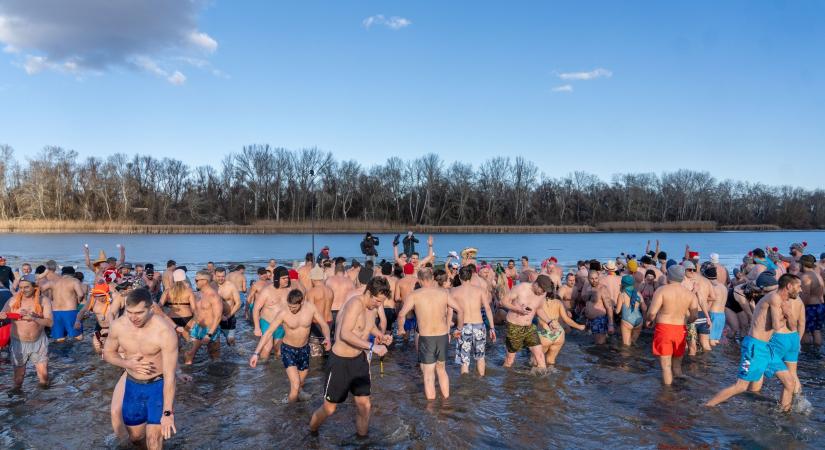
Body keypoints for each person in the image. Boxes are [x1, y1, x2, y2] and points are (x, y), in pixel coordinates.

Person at [309, 277, 392, 437]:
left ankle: (362, 441)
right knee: (329, 408)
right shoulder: (355, 304)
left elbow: (368, 326)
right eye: (376, 301)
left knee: (364, 405)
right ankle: (311, 433)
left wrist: (381, 336)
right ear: (368, 292)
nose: (378, 305)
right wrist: (373, 347)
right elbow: (345, 334)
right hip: (340, 361)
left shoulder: (372, 307)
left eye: (381, 302)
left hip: (358, 361)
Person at [705, 273, 800, 411]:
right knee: (741, 386)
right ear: (789, 286)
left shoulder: (784, 302)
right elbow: (775, 326)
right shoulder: (774, 298)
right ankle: (707, 406)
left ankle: (784, 415)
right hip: (755, 346)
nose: (801, 290)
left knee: (789, 383)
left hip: (767, 348)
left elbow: (793, 327)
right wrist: (785, 315)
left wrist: (788, 314)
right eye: (799, 286)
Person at [103, 287, 178, 449]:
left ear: (151, 309)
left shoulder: (164, 331)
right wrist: (127, 363)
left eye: (138, 313)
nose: (133, 317)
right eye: (129, 312)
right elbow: (107, 354)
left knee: (153, 440)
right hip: (133, 386)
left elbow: (170, 375)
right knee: (136, 438)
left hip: (157, 386)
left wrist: (167, 412)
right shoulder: (118, 326)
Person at [250, 289, 331, 402]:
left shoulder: (310, 308)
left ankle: (295, 403)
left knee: (300, 384)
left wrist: (327, 338)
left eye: (294, 307)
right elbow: (268, 333)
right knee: (296, 384)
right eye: (289, 306)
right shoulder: (283, 313)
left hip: (304, 349)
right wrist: (256, 353)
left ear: (301, 303)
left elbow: (323, 324)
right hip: (288, 350)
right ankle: (290, 413)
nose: (291, 309)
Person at [397, 268, 464, 399]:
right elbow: (460, 310)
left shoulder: (414, 295)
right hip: (442, 336)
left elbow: (401, 314)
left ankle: (431, 410)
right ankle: (446, 402)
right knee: (442, 370)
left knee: (428, 375)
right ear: (432, 278)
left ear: (420, 279)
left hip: (426, 337)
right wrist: (459, 329)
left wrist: (400, 329)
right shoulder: (444, 293)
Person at [645, 265, 698, 385]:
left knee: (666, 367)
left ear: (669, 276)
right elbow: (694, 317)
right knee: (677, 366)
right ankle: (681, 389)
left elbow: (652, 313)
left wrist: (649, 320)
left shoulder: (662, 290)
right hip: (681, 329)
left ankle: (668, 395)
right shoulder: (690, 295)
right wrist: (687, 321)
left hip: (664, 329)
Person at [0, 275, 53, 389]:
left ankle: (44, 402)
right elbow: (1, 314)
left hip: (39, 341)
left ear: (35, 287)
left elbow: (50, 323)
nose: (23, 290)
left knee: (43, 377)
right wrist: (3, 316)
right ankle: (17, 403)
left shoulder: (43, 300)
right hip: (18, 342)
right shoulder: (13, 300)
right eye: (21, 287)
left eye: (26, 287)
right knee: (19, 380)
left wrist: (34, 318)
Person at [499, 274, 557, 370]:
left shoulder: (543, 293)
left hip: (529, 327)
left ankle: (544, 382)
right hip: (514, 327)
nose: (543, 292)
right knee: (510, 360)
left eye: (545, 291)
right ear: (536, 284)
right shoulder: (521, 288)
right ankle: (506, 381)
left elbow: (539, 309)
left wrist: (549, 322)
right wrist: (518, 309)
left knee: (540, 356)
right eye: (542, 290)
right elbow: (503, 301)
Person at [450, 266, 497, 376]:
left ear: (460, 277)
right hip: (479, 326)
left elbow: (449, 313)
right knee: (480, 357)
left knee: (464, 360)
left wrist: (449, 330)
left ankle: (466, 386)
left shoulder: (454, 291)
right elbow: (488, 309)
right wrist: (492, 328)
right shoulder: (480, 291)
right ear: (471, 277)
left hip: (463, 327)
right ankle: (481, 380)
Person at [537, 285, 586, 365]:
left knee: (536, 361)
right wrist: (579, 326)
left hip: (545, 333)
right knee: (551, 361)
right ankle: (553, 374)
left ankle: (538, 376)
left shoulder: (538, 302)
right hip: (558, 333)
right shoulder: (558, 302)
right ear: (553, 291)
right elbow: (566, 319)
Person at [253, 266, 292, 359]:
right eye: (284, 278)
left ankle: (276, 372)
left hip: (281, 324)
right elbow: (256, 309)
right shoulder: (267, 291)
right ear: (277, 278)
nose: (286, 280)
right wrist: (257, 327)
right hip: (267, 322)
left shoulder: (289, 290)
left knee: (279, 351)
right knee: (267, 348)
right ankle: (262, 370)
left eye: (287, 278)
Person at [184, 271, 222, 364]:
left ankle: (216, 377)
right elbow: (198, 311)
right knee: (189, 353)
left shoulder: (214, 296)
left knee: (214, 357)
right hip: (197, 328)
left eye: (196, 280)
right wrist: (193, 322)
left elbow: (218, 317)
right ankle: (187, 376)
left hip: (210, 330)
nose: (194, 281)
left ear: (204, 281)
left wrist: (209, 334)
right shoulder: (199, 294)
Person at [40, 266, 85, 342]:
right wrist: (78, 301)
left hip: (55, 312)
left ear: (62, 274)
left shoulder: (53, 281)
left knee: (59, 338)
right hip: (70, 311)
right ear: (73, 274)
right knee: (78, 337)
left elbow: (40, 289)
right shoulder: (74, 281)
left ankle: (62, 353)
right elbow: (80, 294)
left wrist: (46, 299)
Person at [159, 269, 196, 339]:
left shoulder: (167, 291)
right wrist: (195, 319)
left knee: (175, 340)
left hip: (172, 317)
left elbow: (159, 305)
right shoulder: (189, 290)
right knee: (187, 340)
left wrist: (163, 314)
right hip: (187, 317)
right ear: (184, 278)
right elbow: (194, 308)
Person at [305, 265, 333, 356]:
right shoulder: (330, 290)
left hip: (317, 324)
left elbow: (310, 311)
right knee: (327, 351)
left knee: (315, 354)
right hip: (329, 322)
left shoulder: (312, 292)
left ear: (312, 279)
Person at [798, 254, 825, 346]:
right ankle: (817, 352)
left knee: (805, 330)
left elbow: (805, 294)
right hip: (820, 305)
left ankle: (807, 352)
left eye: (799, 264)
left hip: (810, 307)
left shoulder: (806, 277)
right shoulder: (817, 275)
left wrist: (800, 308)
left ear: (803, 264)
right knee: (816, 330)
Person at [584, 270, 614, 344]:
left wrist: (611, 324)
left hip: (600, 320)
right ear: (588, 278)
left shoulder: (602, 289)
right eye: (592, 278)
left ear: (598, 278)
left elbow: (609, 307)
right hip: (590, 320)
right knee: (595, 343)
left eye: (596, 278)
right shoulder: (588, 288)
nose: (594, 280)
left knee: (600, 344)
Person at [616, 274, 646, 346]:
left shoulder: (622, 294)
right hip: (639, 321)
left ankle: (626, 357)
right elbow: (644, 308)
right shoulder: (638, 293)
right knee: (633, 342)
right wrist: (644, 319)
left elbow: (617, 311)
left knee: (626, 346)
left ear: (623, 284)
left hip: (627, 320)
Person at [325, 263, 355, 333]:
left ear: (335, 271)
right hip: (343, 310)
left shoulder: (329, 280)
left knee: (330, 333)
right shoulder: (350, 282)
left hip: (331, 310)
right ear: (344, 271)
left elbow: (325, 294)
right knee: (340, 332)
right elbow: (354, 297)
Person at [214, 267, 241, 345]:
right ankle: (218, 357)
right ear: (215, 275)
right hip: (215, 317)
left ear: (225, 275)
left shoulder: (231, 286)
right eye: (218, 276)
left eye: (223, 276)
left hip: (229, 317)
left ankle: (233, 355)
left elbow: (238, 303)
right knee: (215, 341)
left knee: (230, 340)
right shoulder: (212, 286)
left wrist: (228, 316)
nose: (221, 278)